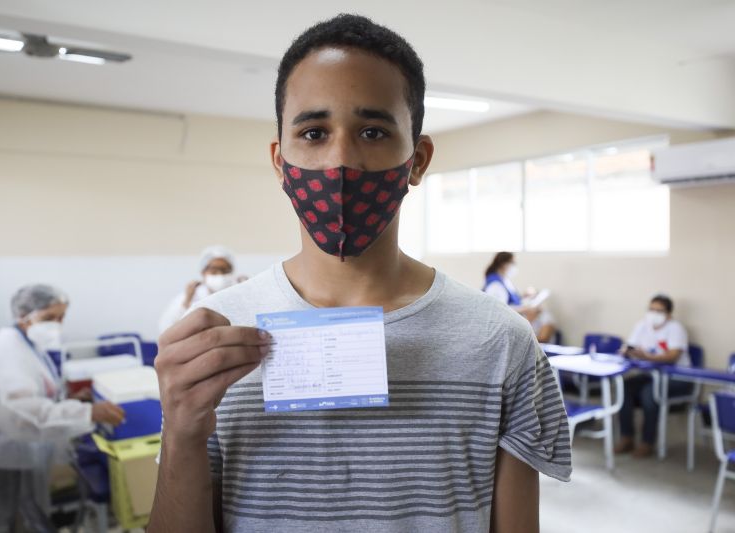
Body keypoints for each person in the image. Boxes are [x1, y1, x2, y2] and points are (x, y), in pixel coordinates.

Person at [149, 14, 570, 533]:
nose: (341, 161)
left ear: (417, 160)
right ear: (281, 162)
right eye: (314, 132)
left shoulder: (501, 340)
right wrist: (182, 436)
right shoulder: (218, 338)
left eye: (372, 131)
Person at [0, 284, 125, 533]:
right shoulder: (7, 353)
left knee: (26, 520)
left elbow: (34, 392)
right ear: (24, 316)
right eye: (49, 317)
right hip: (1, 459)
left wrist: (70, 398)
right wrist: (88, 413)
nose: (57, 324)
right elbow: (20, 413)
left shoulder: (26, 345)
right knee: (2, 524)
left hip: (17, 455)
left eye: (61, 317)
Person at [616, 294, 693, 458]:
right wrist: (627, 351)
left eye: (659, 311)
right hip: (651, 375)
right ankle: (626, 437)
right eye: (651, 309)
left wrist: (646, 357)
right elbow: (630, 346)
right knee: (624, 388)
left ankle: (647, 443)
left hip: (677, 379)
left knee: (650, 393)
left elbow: (672, 356)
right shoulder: (642, 325)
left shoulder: (676, 328)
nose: (654, 313)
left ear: (669, 314)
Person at [158, 246, 239, 333]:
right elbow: (166, 327)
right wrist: (187, 301)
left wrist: (246, 290)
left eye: (225, 270)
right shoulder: (190, 295)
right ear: (203, 272)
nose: (220, 274)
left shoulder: (237, 294)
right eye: (214, 270)